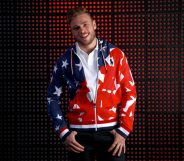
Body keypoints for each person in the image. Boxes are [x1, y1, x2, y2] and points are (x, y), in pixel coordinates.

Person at [47, 7, 136, 161]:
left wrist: (124, 131)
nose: (82, 30)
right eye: (76, 28)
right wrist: (63, 132)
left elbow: (130, 92)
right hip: (78, 136)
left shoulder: (115, 54)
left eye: (85, 24)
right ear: (72, 32)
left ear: (94, 24)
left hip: (111, 133)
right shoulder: (64, 61)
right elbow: (52, 98)